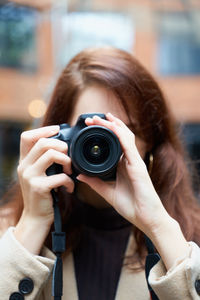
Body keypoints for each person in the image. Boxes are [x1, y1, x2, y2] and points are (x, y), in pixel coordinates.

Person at [0, 47, 200, 300]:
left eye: (124, 131)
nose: (104, 144)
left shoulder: (189, 241)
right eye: (88, 129)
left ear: (150, 142)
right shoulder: (9, 234)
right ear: (55, 136)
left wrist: (159, 225)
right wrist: (33, 221)